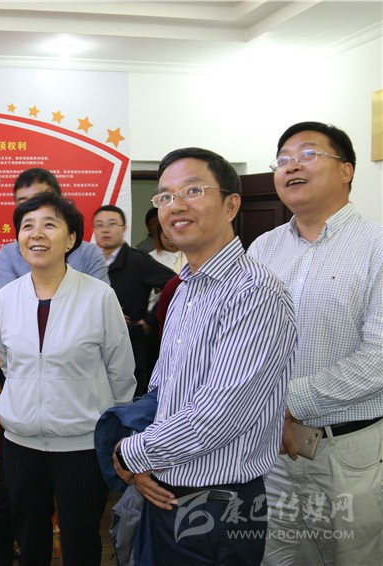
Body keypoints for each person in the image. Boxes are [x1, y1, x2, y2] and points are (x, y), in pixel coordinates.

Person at [113, 147, 297, 566]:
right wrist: (146, 462)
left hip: (217, 506)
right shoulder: (185, 289)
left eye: (192, 190)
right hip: (163, 490)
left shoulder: (254, 293)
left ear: (231, 205)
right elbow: (164, 391)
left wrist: (132, 453)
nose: (175, 205)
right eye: (165, 196)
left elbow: (219, 416)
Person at [248, 122, 382, 565]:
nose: (291, 166)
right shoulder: (262, 250)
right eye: (282, 159)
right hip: (272, 451)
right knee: (276, 557)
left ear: (346, 170)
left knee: (353, 557)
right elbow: (244, 342)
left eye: (307, 154)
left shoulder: (377, 246)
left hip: (347, 453)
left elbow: (379, 358)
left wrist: (286, 401)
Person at [0, 190, 136, 565]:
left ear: (71, 239)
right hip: (21, 444)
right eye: (27, 226)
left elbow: (121, 372)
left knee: (81, 543)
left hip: (81, 445)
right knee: (30, 543)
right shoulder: (7, 298)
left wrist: (111, 430)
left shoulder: (99, 296)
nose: (37, 234)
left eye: (49, 225)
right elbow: (9, 364)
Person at [93, 204, 174, 396]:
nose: (105, 230)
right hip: (94, 341)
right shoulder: (90, 261)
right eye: (100, 225)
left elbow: (174, 284)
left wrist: (150, 319)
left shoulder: (138, 261)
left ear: (124, 229)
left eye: (112, 224)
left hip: (129, 342)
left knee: (129, 398)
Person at [0, 167, 109, 293]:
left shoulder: (90, 254)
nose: (33, 208)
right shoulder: (7, 255)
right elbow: (8, 302)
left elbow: (98, 300)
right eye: (24, 202)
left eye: (39, 199)